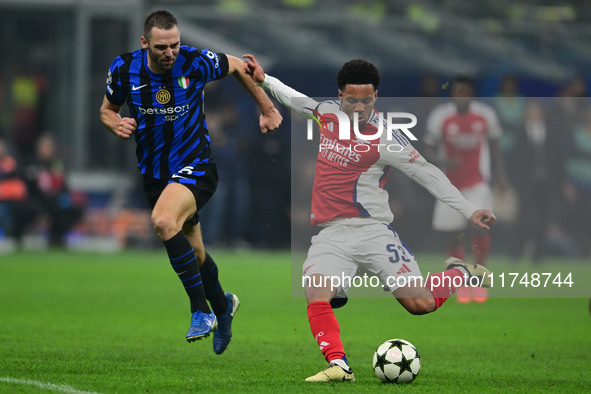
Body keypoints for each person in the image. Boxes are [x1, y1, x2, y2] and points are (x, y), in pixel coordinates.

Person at [243, 55, 496, 382]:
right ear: (340, 95)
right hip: (331, 233)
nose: (359, 107)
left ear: (375, 96)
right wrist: (264, 80)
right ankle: (339, 365)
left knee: (420, 304)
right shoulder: (327, 113)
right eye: (351, 100)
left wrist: (468, 209)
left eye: (366, 100)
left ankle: (459, 272)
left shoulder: (387, 138)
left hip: (373, 232)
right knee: (315, 290)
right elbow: (293, 99)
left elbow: (428, 174)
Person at [99, 10, 282, 354]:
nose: (170, 53)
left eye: (174, 45)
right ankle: (223, 306)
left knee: (163, 222)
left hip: (196, 165)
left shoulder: (195, 61)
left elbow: (238, 66)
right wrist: (114, 122)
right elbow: (107, 109)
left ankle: (201, 310)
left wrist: (267, 108)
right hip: (156, 175)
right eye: (161, 47)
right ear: (144, 44)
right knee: (195, 252)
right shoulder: (124, 68)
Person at [423, 76, 508, 303]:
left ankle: (479, 282)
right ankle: (458, 283)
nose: (462, 96)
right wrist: (444, 160)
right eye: (458, 92)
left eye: (466, 92)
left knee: (480, 230)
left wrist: (501, 176)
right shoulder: (440, 116)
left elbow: (495, 145)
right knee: (453, 236)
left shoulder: (485, 115)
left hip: (477, 182)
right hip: (448, 186)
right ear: (453, 94)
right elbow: (427, 149)